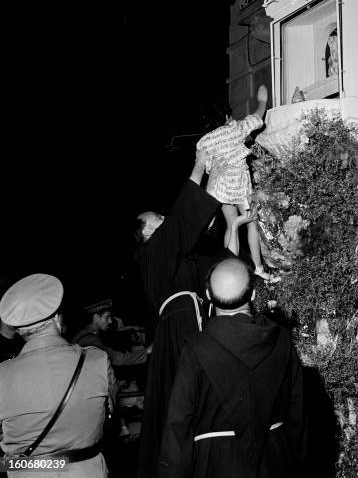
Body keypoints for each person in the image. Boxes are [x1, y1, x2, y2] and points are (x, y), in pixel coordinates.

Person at [134, 147, 249, 478]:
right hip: (181, 334)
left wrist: (235, 224)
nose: (163, 217)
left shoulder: (183, 260)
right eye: (155, 217)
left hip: (204, 329)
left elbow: (227, 269)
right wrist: (199, 166)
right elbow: (183, 216)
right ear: (144, 233)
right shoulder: (151, 256)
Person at [158, 257, 307, 478]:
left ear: (208, 296)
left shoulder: (195, 349)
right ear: (254, 294)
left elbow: (178, 424)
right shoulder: (282, 339)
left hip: (216, 464)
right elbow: (298, 411)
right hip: (274, 460)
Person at [0, 273, 116, 478]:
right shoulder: (97, 360)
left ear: (19, 330)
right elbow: (109, 416)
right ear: (56, 318)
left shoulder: (3, 374)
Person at [196, 84, 271, 280]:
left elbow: (204, 166)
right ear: (226, 117)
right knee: (251, 223)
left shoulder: (203, 142)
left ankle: (230, 268)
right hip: (240, 184)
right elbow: (257, 117)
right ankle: (258, 267)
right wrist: (262, 100)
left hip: (221, 189)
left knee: (231, 225)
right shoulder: (235, 129)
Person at [72, 299, 150, 367]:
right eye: (107, 317)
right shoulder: (89, 340)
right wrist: (147, 351)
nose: (110, 321)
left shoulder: (85, 334)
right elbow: (116, 359)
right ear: (96, 317)